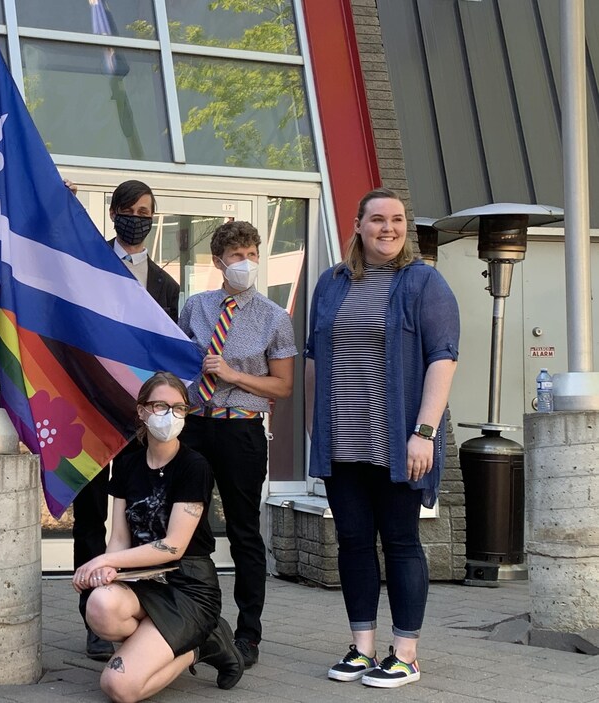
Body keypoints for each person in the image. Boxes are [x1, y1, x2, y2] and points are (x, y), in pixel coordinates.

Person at [305, 187, 459, 689]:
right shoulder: (331, 284)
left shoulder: (423, 284)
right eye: (376, 219)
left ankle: (406, 654)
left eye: (396, 220)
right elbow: (313, 356)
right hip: (342, 439)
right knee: (351, 541)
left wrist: (425, 433)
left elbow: (443, 357)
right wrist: (314, 423)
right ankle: (362, 647)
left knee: (400, 541)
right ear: (358, 225)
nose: (387, 228)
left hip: (398, 441)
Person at [75, 372, 243, 703]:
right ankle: (159, 644)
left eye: (179, 408)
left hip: (188, 588)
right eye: (160, 405)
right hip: (143, 582)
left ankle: (202, 644)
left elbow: (173, 546)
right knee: (100, 604)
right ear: (141, 411)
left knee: (119, 687)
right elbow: (120, 538)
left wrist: (104, 561)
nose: (170, 415)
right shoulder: (128, 465)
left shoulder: (194, 466)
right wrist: (112, 572)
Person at [176, 220, 296, 668]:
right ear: (219, 262)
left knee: (244, 530)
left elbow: (282, 387)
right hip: (196, 425)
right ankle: (194, 621)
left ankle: (249, 634)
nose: (245, 263)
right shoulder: (197, 307)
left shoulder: (273, 316)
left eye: (251, 254)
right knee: (189, 526)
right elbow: (181, 360)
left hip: (242, 428)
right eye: (237, 256)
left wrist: (233, 374)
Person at [72, 180, 180, 660]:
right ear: (114, 213)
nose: (139, 217)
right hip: (92, 413)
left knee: (139, 518)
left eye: (147, 211)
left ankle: (138, 611)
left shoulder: (167, 285)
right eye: (131, 209)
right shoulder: (90, 266)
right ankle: (94, 617)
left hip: (140, 424)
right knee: (92, 517)